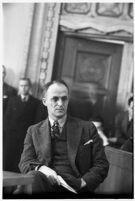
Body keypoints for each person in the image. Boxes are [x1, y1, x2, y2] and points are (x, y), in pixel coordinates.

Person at [18, 80, 109, 198]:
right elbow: (24, 162)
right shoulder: (33, 131)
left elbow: (101, 164)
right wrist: (42, 168)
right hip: (44, 184)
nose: (60, 103)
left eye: (64, 99)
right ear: (45, 101)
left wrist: (83, 183)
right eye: (55, 99)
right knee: (34, 177)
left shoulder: (87, 128)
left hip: (75, 187)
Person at [3, 77, 40, 172]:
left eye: (26, 85)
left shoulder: (35, 103)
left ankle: (18, 186)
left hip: (26, 139)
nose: (23, 88)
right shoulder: (12, 100)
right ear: (19, 87)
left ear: (29, 87)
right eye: (21, 85)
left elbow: (36, 122)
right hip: (11, 139)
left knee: (21, 164)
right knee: (7, 163)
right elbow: (6, 119)